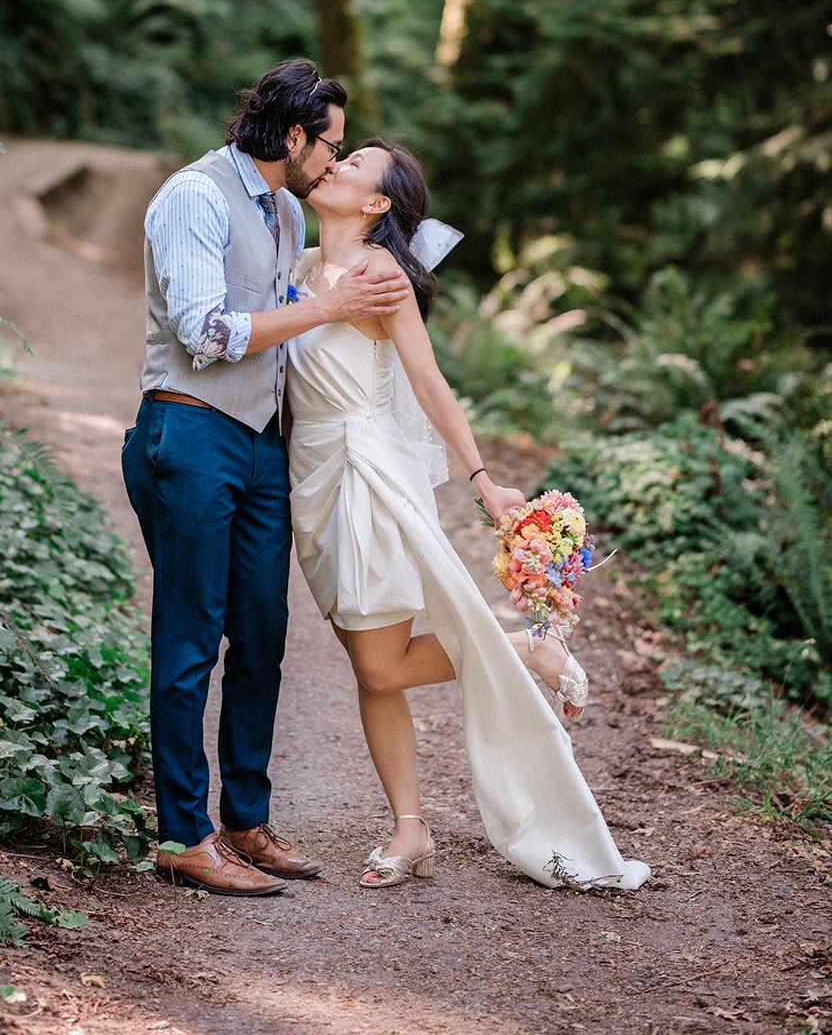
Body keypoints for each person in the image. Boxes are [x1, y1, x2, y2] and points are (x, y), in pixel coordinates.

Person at [287, 138, 650, 892]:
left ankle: (522, 650)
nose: (337, 165)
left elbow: (429, 383)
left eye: (354, 164)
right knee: (375, 669)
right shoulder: (298, 271)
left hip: (366, 477)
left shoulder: (379, 273)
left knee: (377, 662)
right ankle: (411, 829)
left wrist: (485, 482)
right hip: (314, 478)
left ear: (377, 204)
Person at [122, 60, 411, 897]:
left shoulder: (286, 208)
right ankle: (183, 832)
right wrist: (327, 308)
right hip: (190, 432)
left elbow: (324, 275)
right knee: (189, 638)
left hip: (263, 446)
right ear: (293, 137)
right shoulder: (194, 198)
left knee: (262, 638)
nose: (335, 161)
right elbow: (208, 331)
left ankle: (246, 820)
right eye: (332, 146)